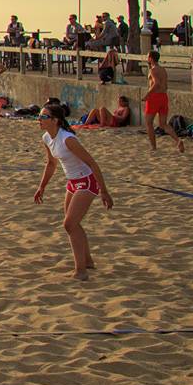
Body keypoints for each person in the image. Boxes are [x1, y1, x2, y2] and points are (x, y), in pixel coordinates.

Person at [33, 102, 114, 281]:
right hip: (72, 182)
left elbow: (93, 163)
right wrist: (42, 187)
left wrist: (104, 191)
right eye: (39, 116)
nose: (39, 119)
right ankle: (88, 261)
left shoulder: (68, 139)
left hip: (87, 181)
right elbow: (51, 164)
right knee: (72, 224)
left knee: (69, 224)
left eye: (44, 117)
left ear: (55, 121)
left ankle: (81, 271)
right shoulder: (46, 138)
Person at [142, 50, 185, 152]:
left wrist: (147, 95)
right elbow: (165, 85)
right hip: (163, 97)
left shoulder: (153, 70)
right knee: (163, 124)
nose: (147, 59)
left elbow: (156, 83)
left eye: (148, 57)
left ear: (151, 58)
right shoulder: (163, 69)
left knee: (149, 123)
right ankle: (178, 140)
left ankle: (153, 147)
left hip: (154, 97)